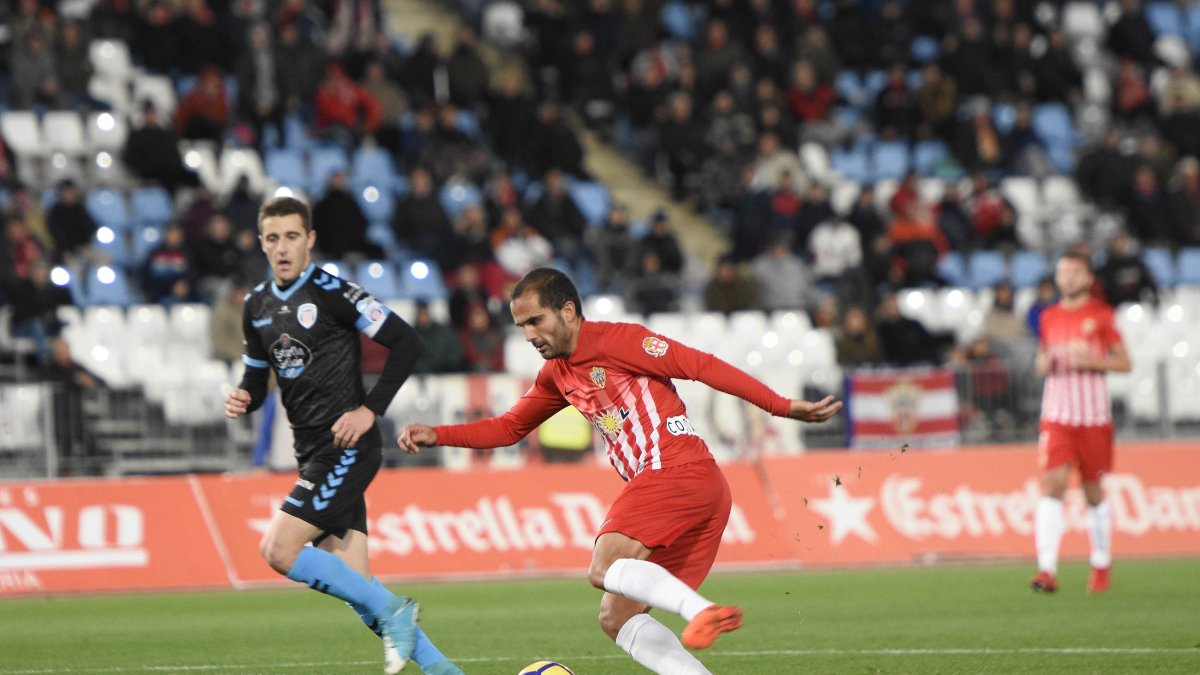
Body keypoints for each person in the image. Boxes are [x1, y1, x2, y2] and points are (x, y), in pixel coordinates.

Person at [397, 267, 842, 675]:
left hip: (674, 470)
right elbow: (510, 427)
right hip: (697, 487)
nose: (529, 335)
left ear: (567, 311)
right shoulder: (556, 374)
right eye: (521, 326)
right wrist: (439, 434)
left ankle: (700, 611)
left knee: (604, 565)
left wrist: (780, 406)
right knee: (617, 616)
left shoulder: (621, 341)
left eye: (535, 321)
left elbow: (701, 365)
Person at [223, 196, 462, 675]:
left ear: (310, 239)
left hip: (346, 449)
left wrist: (369, 410)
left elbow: (406, 341)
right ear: (261, 243)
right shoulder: (256, 305)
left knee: (278, 550)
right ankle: (445, 672)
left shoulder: (335, 293)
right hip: (310, 452)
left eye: (292, 236)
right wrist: (246, 396)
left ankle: (396, 609)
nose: (283, 247)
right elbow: (256, 377)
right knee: (361, 590)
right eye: (273, 238)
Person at [1030, 251, 1131, 595]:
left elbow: (1124, 363)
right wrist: (1043, 364)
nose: (1068, 277)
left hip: (1093, 419)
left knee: (1093, 493)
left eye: (1075, 272)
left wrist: (1091, 361)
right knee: (1052, 485)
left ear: (1088, 278)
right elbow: (1042, 359)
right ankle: (1046, 569)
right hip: (1057, 417)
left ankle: (1100, 562)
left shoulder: (1101, 315)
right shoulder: (1048, 316)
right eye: (1063, 272)